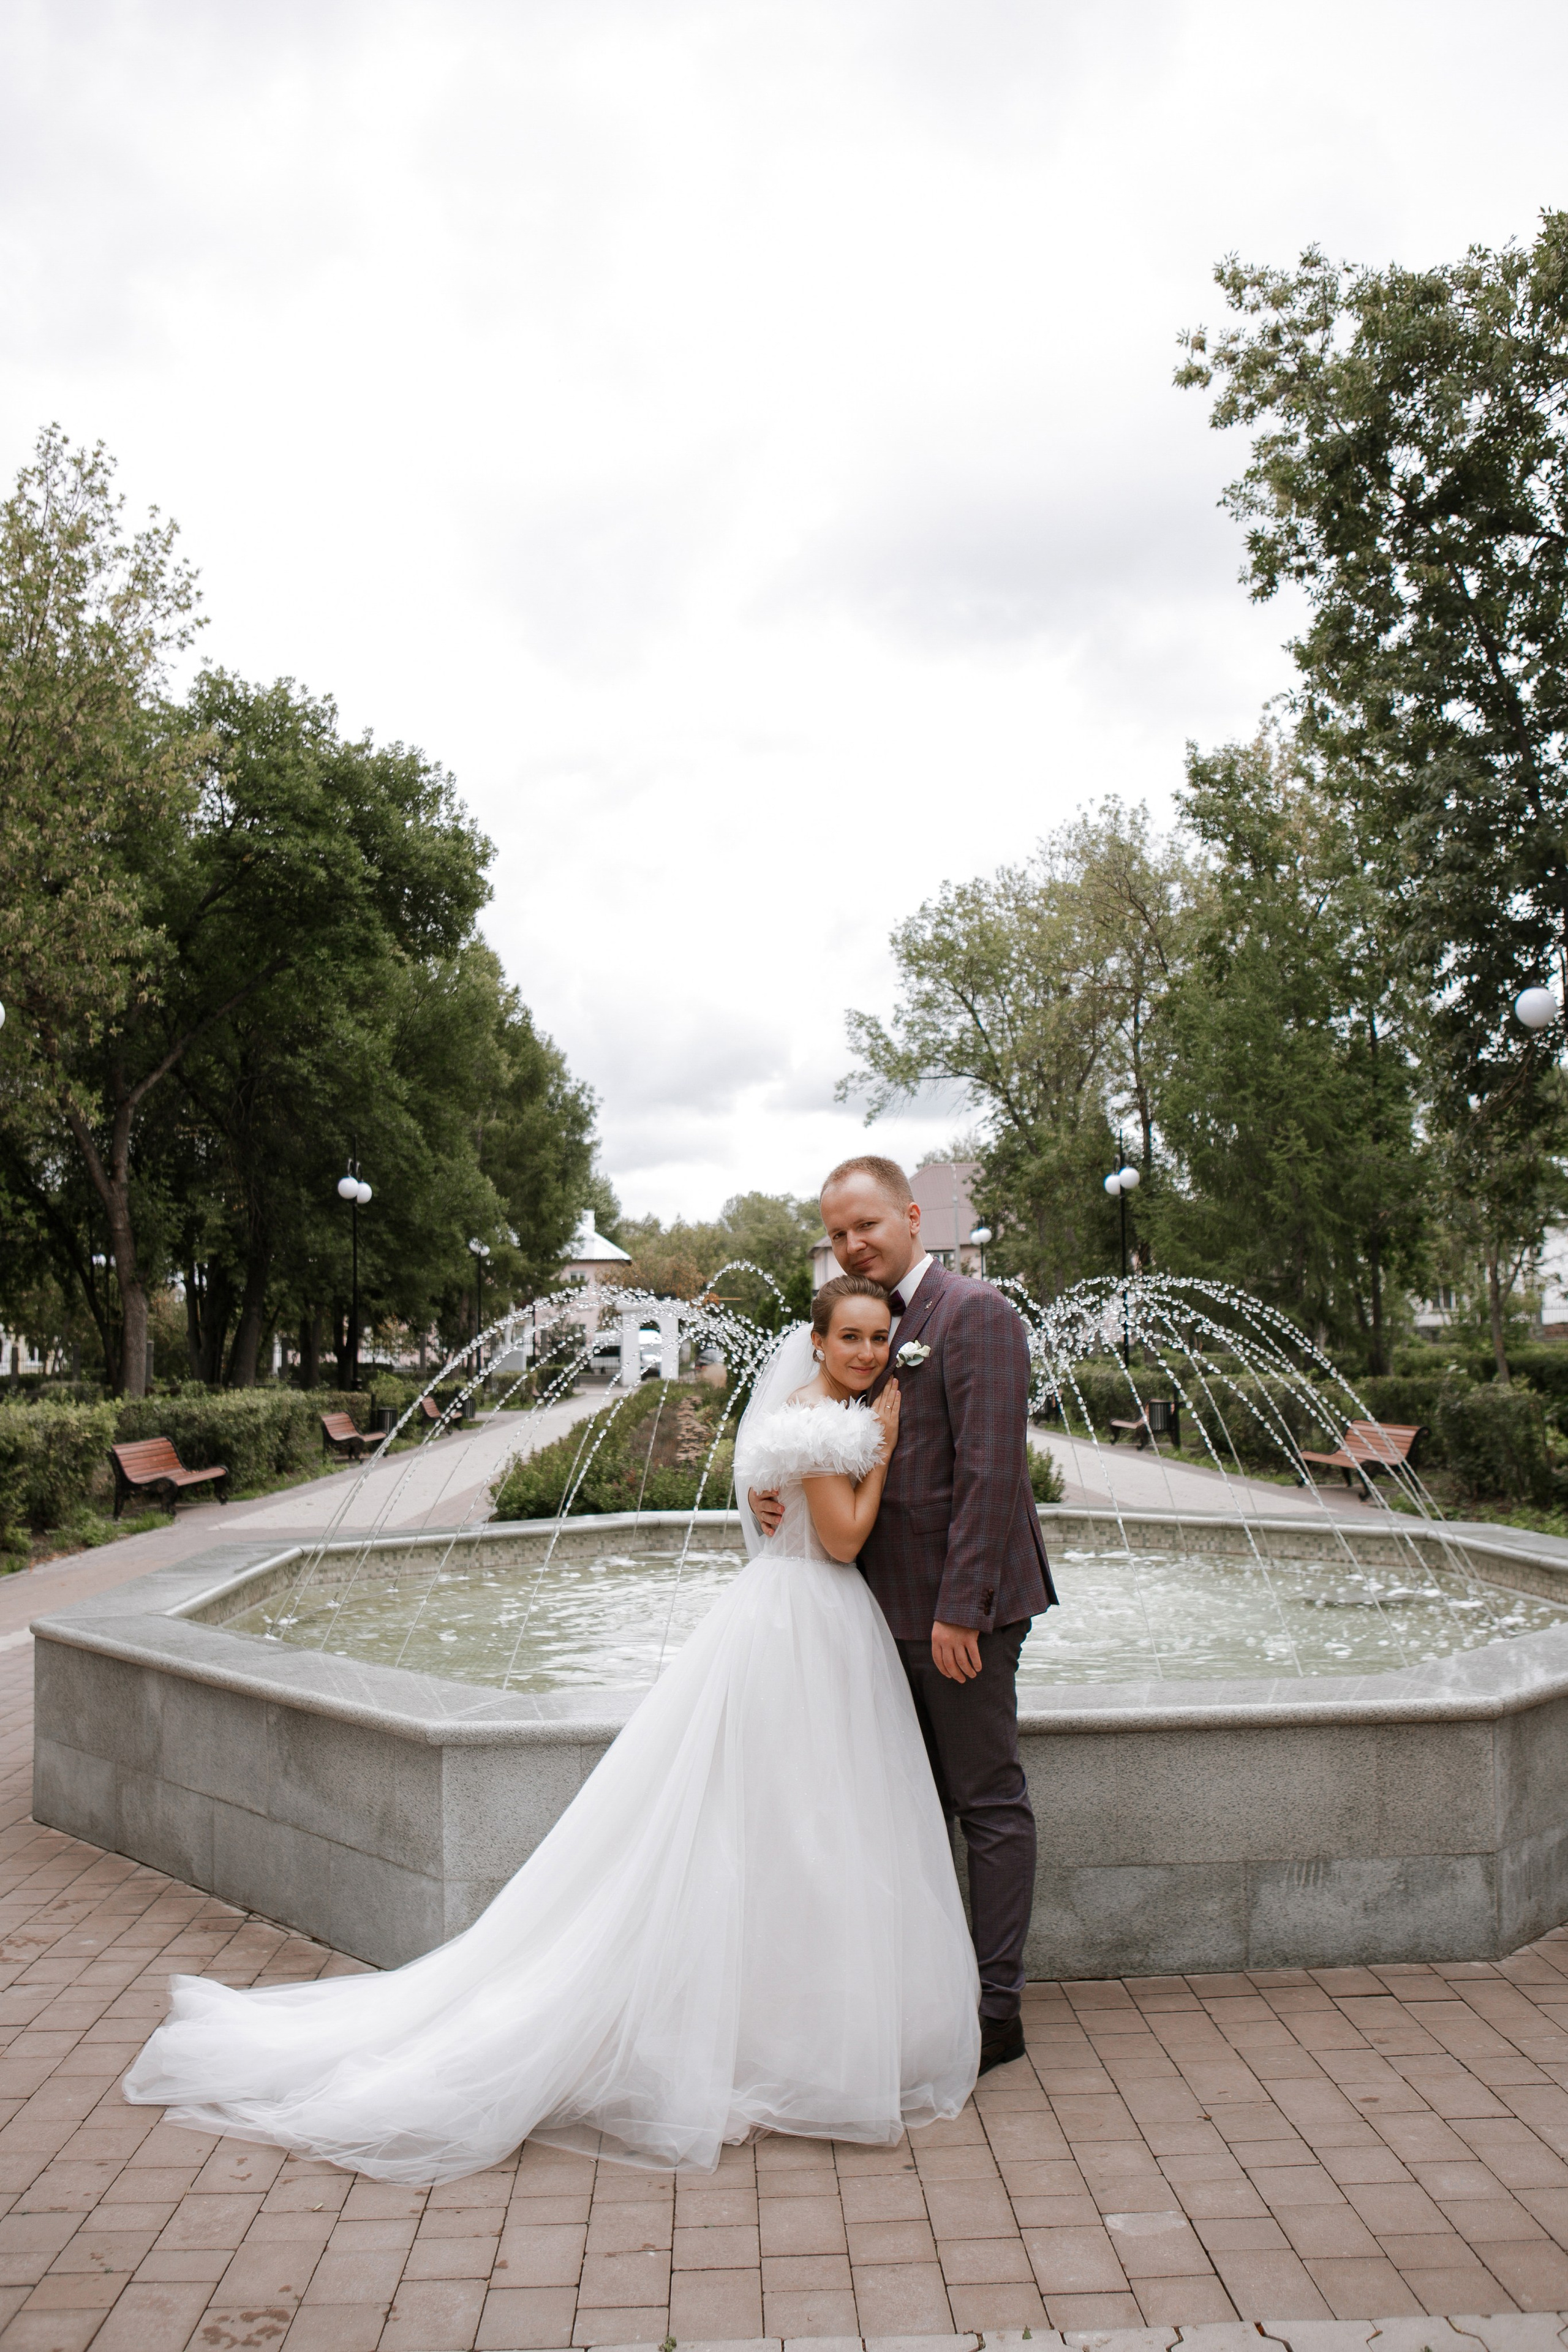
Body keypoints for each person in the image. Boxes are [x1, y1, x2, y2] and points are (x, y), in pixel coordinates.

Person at [123, 1275, 979, 2184]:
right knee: (802, 1825)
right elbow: (843, 1541)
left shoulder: (803, 1410)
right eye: (852, 1336)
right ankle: (793, 2036)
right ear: (816, 1343)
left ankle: (785, 2025)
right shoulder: (828, 1422)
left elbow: (772, 1509)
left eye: (880, 1337)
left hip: (789, 1619)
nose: (869, 1352)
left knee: (784, 1828)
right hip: (810, 1619)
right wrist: (879, 1447)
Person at [749, 1156, 1055, 2075]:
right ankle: (921, 1997)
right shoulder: (861, 1321)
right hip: (871, 1617)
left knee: (987, 1803)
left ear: (912, 1217)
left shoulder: (976, 1315)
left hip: (957, 1618)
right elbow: (822, 1440)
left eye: (867, 1227)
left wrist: (963, 1613)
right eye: (838, 1234)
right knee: (903, 1812)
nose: (853, 1245)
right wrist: (779, 1495)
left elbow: (993, 1476)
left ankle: (997, 2011)